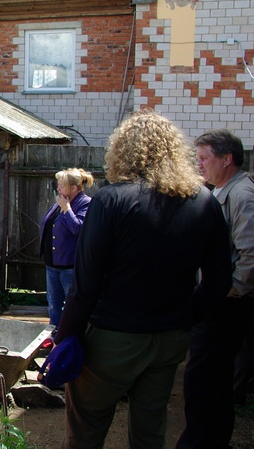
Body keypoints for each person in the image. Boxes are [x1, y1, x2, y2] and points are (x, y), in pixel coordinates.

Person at [55, 111, 231, 448]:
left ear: (123, 151)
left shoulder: (111, 200)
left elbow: (84, 285)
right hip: (169, 338)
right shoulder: (204, 201)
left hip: (113, 339)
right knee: (150, 431)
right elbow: (219, 280)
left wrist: (65, 337)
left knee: (86, 429)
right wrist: (185, 317)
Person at [176, 129, 254, 448]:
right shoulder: (224, 191)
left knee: (202, 377)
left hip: (227, 305)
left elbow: (250, 255)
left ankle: (198, 441)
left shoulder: (242, 195)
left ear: (227, 159)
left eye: (204, 157)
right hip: (220, 300)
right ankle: (213, 439)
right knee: (216, 378)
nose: (199, 164)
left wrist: (225, 292)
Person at [39, 168, 94, 329]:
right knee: (53, 303)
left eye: (62, 186)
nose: (58, 189)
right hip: (52, 264)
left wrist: (67, 209)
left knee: (71, 305)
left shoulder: (85, 203)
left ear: (74, 187)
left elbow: (78, 228)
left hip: (69, 266)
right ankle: (54, 332)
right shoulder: (61, 200)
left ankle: (70, 335)